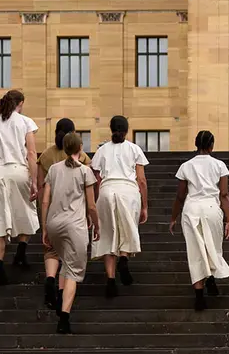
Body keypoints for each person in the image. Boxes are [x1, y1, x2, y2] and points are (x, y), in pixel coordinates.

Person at [40, 131, 98, 332]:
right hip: (75, 226)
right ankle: (64, 317)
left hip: (55, 223)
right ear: (80, 148)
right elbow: (91, 206)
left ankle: (59, 297)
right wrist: (97, 225)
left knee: (65, 262)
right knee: (74, 270)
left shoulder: (54, 170)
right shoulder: (85, 172)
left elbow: (45, 200)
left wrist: (45, 227)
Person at [170, 130, 229, 311]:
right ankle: (211, 276)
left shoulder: (186, 166)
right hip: (211, 208)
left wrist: (173, 217)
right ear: (212, 145)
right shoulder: (219, 165)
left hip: (191, 209)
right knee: (213, 246)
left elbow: (180, 196)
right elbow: (224, 194)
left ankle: (199, 296)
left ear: (196, 144)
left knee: (195, 250)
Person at [0, 88, 39, 284]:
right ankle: (21, 252)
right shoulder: (25, 122)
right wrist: (34, 180)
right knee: (25, 211)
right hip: (19, 170)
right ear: (20, 104)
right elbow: (32, 153)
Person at [90, 115, 149, 299]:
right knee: (127, 228)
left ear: (110, 128)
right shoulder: (134, 149)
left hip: (107, 191)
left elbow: (97, 180)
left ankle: (110, 280)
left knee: (108, 235)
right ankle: (123, 257)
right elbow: (141, 180)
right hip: (129, 191)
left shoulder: (102, 151)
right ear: (127, 129)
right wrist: (145, 206)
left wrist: (97, 201)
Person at [38, 118, 90, 308]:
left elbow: (40, 186)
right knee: (70, 254)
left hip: (50, 209)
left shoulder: (45, 156)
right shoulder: (81, 156)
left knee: (50, 249)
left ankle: (51, 278)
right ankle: (62, 293)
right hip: (73, 212)